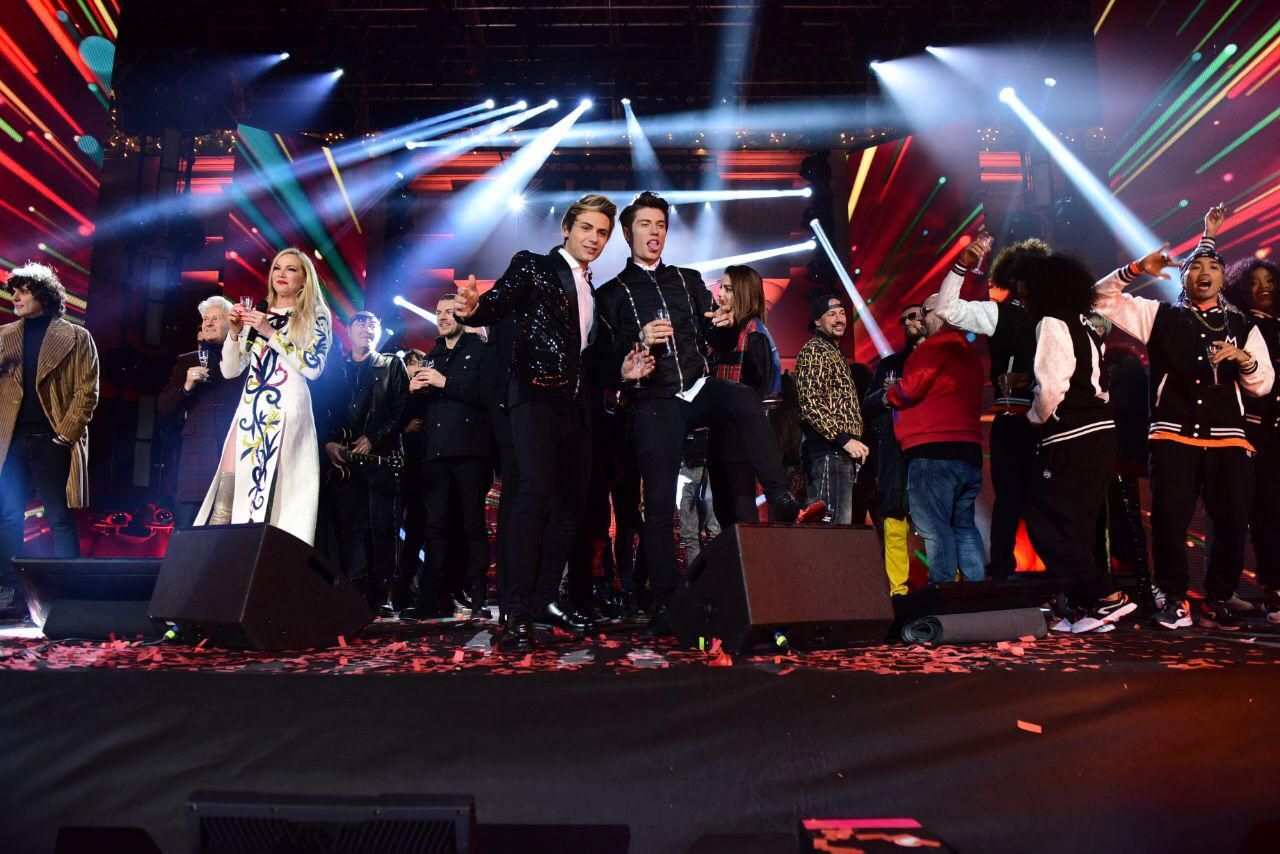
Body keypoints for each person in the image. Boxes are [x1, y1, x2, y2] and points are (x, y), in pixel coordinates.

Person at [594, 191, 822, 638]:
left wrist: (722, 324)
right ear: (627, 232)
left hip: (697, 387)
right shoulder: (612, 294)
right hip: (654, 400)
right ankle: (665, 604)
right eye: (646, 224)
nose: (655, 232)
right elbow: (605, 357)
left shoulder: (688, 280)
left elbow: (712, 337)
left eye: (661, 224)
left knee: (741, 397)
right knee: (659, 507)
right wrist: (638, 342)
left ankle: (779, 496)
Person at [454, 194, 650, 650]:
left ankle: (542, 600)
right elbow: (496, 303)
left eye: (602, 233)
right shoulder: (534, 266)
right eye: (586, 228)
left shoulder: (591, 290)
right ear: (566, 228)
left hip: (576, 408)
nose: (594, 239)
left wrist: (622, 371)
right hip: (535, 397)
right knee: (534, 495)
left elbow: (590, 357)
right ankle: (517, 612)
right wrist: (474, 308)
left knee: (571, 508)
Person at [1093, 206, 1274, 630]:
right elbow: (1099, 299)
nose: (1204, 273)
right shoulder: (1161, 316)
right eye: (1195, 267)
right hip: (1173, 435)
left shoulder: (1242, 325)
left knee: (1232, 523)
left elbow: (1263, 384)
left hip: (1228, 438)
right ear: (1183, 277)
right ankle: (1174, 597)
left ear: (1223, 278)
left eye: (1213, 267)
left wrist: (1242, 359)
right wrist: (1135, 268)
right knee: (1170, 521)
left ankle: (1218, 598)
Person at [1019, 253, 1136, 633]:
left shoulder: (1052, 322)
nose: (1023, 300)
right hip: (1101, 432)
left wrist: (1035, 418)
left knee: (1043, 520)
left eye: (1025, 293)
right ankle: (1089, 607)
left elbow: (1053, 385)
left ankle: (1106, 596)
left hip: (1073, 434)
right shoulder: (1086, 322)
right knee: (1080, 524)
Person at [197, 247, 332, 545]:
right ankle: (217, 563)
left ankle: (261, 563)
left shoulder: (316, 315)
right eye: (277, 268)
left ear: (304, 279)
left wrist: (270, 332)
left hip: (288, 409)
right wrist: (234, 333)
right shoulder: (259, 312)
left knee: (272, 497)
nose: (282, 274)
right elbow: (231, 370)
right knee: (226, 495)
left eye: (291, 269)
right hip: (250, 409)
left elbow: (313, 368)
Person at [936, 230, 1046, 579]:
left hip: (1055, 426)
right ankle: (1001, 572)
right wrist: (961, 267)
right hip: (1014, 420)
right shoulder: (1000, 314)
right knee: (1010, 499)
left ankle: (1065, 579)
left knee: (1049, 502)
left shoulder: (1059, 317)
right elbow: (946, 309)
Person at [0, 264, 99, 620]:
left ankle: (68, 593)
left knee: (59, 516)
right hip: (10, 440)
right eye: (13, 291)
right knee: (8, 517)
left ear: (43, 295)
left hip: (52, 438)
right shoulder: (4, 336)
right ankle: (10, 593)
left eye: (23, 291)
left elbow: (87, 391)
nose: (15, 297)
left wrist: (64, 437)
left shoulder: (76, 337)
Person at [401, 295, 493, 622]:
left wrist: (445, 382)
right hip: (435, 454)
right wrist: (413, 393)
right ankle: (431, 599)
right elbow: (417, 410)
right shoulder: (432, 355)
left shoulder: (481, 350)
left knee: (472, 526)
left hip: (471, 451)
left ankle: (478, 598)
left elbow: (487, 395)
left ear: (463, 315)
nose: (442, 317)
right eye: (438, 312)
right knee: (435, 528)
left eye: (449, 312)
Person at [885, 293, 986, 583]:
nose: (921, 318)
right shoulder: (968, 351)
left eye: (925, 312)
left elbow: (910, 389)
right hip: (968, 451)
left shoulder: (934, 346)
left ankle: (943, 594)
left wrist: (889, 393)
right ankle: (977, 595)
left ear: (942, 313)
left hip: (933, 451)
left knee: (935, 528)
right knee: (964, 527)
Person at [323, 310, 408, 615]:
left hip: (382, 460)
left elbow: (402, 409)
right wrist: (328, 441)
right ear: (348, 331)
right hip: (344, 462)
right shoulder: (338, 369)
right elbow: (325, 409)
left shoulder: (392, 364)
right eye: (360, 322)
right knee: (350, 528)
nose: (367, 327)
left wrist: (374, 437)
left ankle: (381, 594)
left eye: (373, 323)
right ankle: (354, 591)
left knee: (383, 527)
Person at [1219, 255, 1279, 624]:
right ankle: (1273, 591)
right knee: (1265, 513)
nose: (1263, 288)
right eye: (1254, 282)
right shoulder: (1241, 326)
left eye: (1269, 281)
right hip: (1256, 431)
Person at [707, 264, 783, 526]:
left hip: (740, 438)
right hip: (717, 434)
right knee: (723, 511)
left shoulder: (754, 333)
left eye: (728, 288)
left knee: (741, 511)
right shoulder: (721, 332)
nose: (720, 294)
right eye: (721, 287)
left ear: (743, 292)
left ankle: (749, 556)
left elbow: (758, 389)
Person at [157, 296, 241, 527]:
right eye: (205, 319)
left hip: (232, 453)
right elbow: (164, 407)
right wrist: (186, 386)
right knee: (187, 530)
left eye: (216, 318)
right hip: (196, 457)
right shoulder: (187, 361)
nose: (209, 323)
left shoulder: (243, 358)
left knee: (229, 531)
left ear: (230, 322)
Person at [861, 303, 926, 595]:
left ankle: (949, 586)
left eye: (914, 315)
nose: (909, 321)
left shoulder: (940, 357)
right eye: (904, 319)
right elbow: (867, 403)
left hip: (928, 448)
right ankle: (897, 591)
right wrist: (888, 395)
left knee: (935, 520)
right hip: (894, 453)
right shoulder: (890, 364)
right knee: (893, 516)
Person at [794, 295, 870, 524]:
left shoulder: (833, 351)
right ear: (817, 321)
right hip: (829, 453)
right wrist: (843, 439)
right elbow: (810, 403)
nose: (839, 319)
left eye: (842, 313)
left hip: (839, 454)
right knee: (833, 530)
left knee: (837, 529)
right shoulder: (815, 349)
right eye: (831, 314)